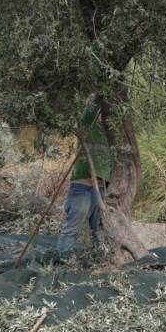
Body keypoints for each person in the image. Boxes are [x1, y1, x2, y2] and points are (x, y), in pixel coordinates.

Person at [56, 96, 114, 253]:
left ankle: (100, 259)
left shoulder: (111, 135)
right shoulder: (88, 122)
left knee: (99, 230)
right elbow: (94, 103)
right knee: (72, 228)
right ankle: (63, 262)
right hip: (82, 187)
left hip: (101, 189)